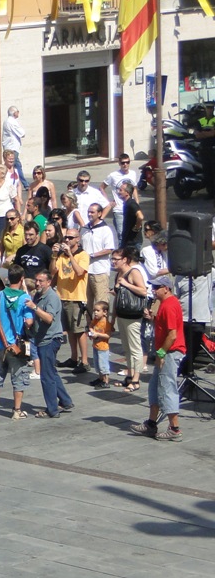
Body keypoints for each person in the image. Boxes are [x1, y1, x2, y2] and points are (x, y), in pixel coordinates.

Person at [132, 276, 186, 441]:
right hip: (165, 351)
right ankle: (151, 424)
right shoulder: (166, 304)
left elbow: (172, 334)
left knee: (167, 389)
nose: (153, 290)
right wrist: (153, 319)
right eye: (153, 287)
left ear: (166, 288)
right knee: (155, 388)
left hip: (169, 352)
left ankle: (174, 429)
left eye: (157, 287)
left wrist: (161, 354)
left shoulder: (169, 306)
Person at [0, 264, 35, 421]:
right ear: (22, 280)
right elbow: (29, 322)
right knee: (18, 377)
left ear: (8, 279)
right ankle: (16, 411)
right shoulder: (24, 299)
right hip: (15, 346)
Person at [29, 270, 74, 419]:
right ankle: (66, 401)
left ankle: (52, 409)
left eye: (41, 281)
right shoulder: (38, 295)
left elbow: (49, 318)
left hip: (49, 340)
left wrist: (34, 308)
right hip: (42, 339)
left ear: (49, 282)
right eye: (36, 280)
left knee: (46, 376)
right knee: (51, 372)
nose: (37, 283)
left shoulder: (52, 297)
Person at [51, 227, 90, 373]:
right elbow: (53, 271)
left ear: (77, 239)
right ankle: (74, 358)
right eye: (65, 237)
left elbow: (80, 272)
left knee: (80, 331)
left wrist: (70, 255)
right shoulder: (61, 256)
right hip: (63, 296)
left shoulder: (83, 255)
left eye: (70, 238)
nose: (67, 240)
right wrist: (54, 255)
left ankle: (84, 361)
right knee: (70, 330)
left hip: (77, 297)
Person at [111, 247, 148, 392]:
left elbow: (143, 291)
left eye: (116, 259)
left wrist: (126, 284)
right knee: (126, 348)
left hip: (133, 316)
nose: (113, 262)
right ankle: (129, 375)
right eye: (112, 259)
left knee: (135, 348)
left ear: (125, 259)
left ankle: (136, 379)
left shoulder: (134, 272)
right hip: (122, 314)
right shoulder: (119, 273)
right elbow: (117, 297)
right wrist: (112, 319)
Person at [80, 203, 115, 314]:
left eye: (92, 212)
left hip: (100, 271)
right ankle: (89, 326)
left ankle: (103, 328)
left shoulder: (105, 230)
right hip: (85, 271)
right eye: (88, 212)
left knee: (101, 302)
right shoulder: (84, 229)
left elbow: (109, 249)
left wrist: (91, 255)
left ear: (99, 213)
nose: (89, 214)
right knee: (87, 302)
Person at [103, 154, 140, 233]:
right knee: (121, 234)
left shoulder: (133, 173)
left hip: (131, 208)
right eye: (123, 163)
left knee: (131, 233)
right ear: (119, 163)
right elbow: (101, 188)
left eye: (127, 162)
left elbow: (134, 189)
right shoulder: (113, 175)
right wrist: (108, 202)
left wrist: (137, 203)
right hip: (119, 209)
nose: (125, 164)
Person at [88, 301, 113, 389]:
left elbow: (108, 335)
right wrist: (91, 332)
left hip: (103, 348)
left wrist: (98, 335)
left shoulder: (106, 323)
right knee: (97, 364)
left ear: (105, 312)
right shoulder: (95, 320)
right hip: (96, 346)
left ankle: (106, 381)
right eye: (94, 310)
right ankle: (100, 378)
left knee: (103, 365)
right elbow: (91, 326)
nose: (95, 312)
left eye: (98, 310)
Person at [1, 105, 26, 186]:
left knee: (11, 165)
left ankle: (8, 180)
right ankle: (25, 184)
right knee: (17, 166)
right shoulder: (12, 122)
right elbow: (22, 133)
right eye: (17, 111)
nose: (18, 113)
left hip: (8, 147)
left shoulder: (6, 121)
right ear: (14, 113)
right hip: (12, 148)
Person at [115, 181, 144, 251]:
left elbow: (140, 216)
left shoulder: (131, 204)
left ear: (127, 193)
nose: (118, 192)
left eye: (121, 190)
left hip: (133, 242)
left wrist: (137, 227)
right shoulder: (126, 203)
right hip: (127, 240)